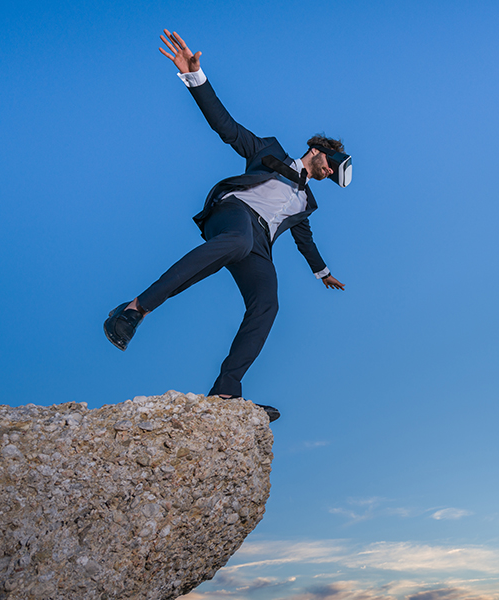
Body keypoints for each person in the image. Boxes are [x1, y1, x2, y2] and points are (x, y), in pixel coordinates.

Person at [104, 29, 348, 422]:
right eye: (330, 167)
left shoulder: (307, 201)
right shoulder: (269, 153)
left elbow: (305, 241)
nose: (329, 175)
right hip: (235, 215)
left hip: (259, 245)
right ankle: (134, 310)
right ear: (318, 152)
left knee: (268, 302)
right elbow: (226, 125)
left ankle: (225, 392)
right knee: (236, 240)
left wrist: (324, 273)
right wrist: (194, 77)